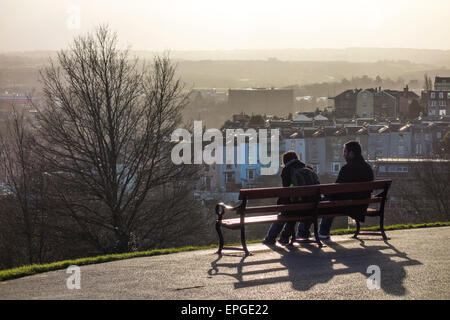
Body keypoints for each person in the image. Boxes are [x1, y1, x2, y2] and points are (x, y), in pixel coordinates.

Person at [317, 141, 374, 239]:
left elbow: (337, 189)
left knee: (323, 202)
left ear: (351, 153)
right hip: (362, 205)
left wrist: (326, 195)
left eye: (345, 152)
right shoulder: (368, 168)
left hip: (350, 206)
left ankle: (322, 232)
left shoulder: (347, 168)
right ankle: (322, 232)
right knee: (328, 201)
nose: (343, 154)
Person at [262, 150, 320, 246]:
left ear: (285, 161)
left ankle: (271, 238)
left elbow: (287, 190)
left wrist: (281, 203)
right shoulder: (308, 168)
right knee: (294, 211)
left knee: (284, 213)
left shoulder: (287, 170)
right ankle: (291, 235)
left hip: (295, 206)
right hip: (312, 206)